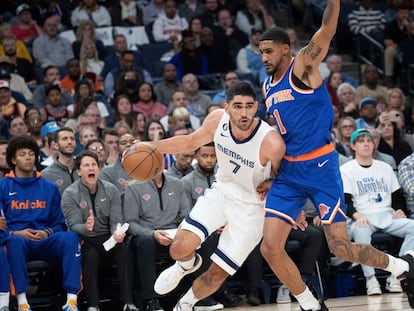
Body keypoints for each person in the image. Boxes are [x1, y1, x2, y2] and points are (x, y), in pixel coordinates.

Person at [258, 1, 414, 310]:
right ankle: (309, 303)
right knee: (270, 247)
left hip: (320, 167)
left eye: (269, 51)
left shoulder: (301, 66)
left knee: (340, 248)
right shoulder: (266, 86)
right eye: (261, 52)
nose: (263, 57)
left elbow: (326, 30)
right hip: (289, 173)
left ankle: (401, 268)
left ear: (286, 49)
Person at [148, 81, 286, 311]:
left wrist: (273, 182)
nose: (244, 112)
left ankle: (186, 304)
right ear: (227, 107)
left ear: (256, 107)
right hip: (222, 192)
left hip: (253, 208)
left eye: (249, 106)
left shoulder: (270, 141)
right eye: (238, 106)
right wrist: (151, 146)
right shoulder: (216, 120)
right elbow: (189, 142)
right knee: (178, 248)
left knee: (216, 274)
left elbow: (289, 177)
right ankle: (186, 264)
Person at [1, 135, 82, 311]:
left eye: (31, 153)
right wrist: (15, 233)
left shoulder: (50, 187)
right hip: (19, 240)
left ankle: (71, 300)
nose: (28, 157)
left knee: (71, 237)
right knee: (12, 242)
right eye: (22, 154)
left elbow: (59, 224)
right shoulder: (3, 186)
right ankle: (23, 302)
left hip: (45, 239)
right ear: (13, 159)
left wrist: (47, 233)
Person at [61, 151, 138, 311]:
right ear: (78, 171)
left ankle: (128, 302)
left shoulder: (111, 190)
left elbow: (116, 219)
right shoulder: (70, 194)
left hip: (107, 236)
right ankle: (93, 305)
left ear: (99, 168)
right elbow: (74, 225)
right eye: (86, 165)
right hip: (85, 238)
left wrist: (116, 233)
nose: (91, 168)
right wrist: (86, 226)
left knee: (124, 251)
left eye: (94, 165)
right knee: (89, 256)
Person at [341, 128, 411, 295]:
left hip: (387, 215)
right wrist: (356, 215)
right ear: (353, 146)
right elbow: (346, 201)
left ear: (374, 145)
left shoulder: (385, 167)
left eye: (369, 140)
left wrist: (400, 210)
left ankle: (399, 273)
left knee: (413, 227)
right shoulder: (346, 169)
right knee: (361, 230)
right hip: (362, 216)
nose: (366, 143)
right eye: (361, 141)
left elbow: (396, 197)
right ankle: (370, 279)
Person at [124, 170, 191, 311]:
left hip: (173, 233)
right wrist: (152, 234)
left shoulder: (177, 184)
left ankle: (194, 296)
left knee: (195, 239)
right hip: (147, 234)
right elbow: (130, 222)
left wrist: (180, 232)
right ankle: (151, 300)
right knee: (145, 243)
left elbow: (186, 215)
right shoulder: (133, 187)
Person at [41, 127, 79, 194]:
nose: (69, 142)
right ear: (56, 146)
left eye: (72, 139)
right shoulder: (46, 175)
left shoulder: (84, 168)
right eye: (65, 139)